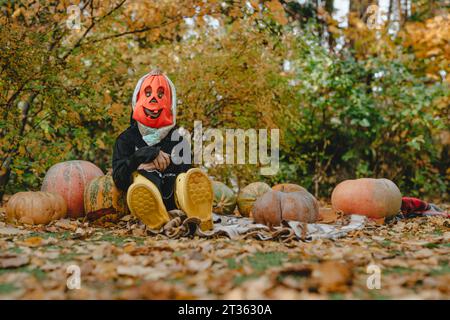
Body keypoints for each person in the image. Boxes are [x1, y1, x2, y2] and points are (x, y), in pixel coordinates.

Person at [112, 69, 213, 231]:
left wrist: (167, 163)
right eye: (148, 94)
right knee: (142, 180)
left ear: (170, 103)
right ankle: (155, 217)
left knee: (185, 180)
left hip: (175, 201)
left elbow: (185, 173)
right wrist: (139, 158)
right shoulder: (125, 139)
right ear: (137, 100)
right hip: (142, 205)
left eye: (161, 95)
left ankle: (201, 216)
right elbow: (118, 179)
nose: (153, 100)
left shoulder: (179, 141)